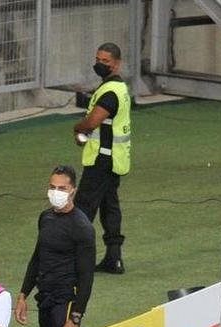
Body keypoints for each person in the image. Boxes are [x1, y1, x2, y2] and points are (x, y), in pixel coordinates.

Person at [14, 166, 96, 327]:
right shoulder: (45, 218)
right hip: (45, 298)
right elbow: (37, 258)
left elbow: (86, 277)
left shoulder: (82, 228)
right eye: (52, 187)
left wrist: (75, 319)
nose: (55, 192)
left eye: (61, 188)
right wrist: (23, 295)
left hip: (65, 301)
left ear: (73, 190)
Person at [73, 42, 131, 275]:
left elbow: (93, 121)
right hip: (114, 159)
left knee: (82, 210)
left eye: (105, 61)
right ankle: (114, 258)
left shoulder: (109, 92)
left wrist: (77, 128)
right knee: (109, 208)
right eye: (98, 59)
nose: (99, 64)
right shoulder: (119, 88)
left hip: (102, 160)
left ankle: (77, 261)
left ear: (117, 64)